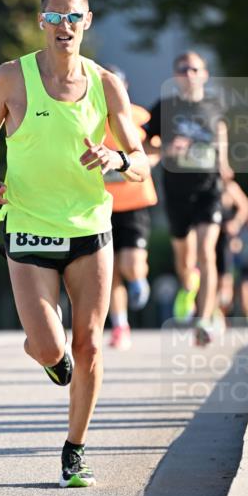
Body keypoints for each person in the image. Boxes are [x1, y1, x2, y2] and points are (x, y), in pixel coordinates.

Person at [0, 0, 150, 487]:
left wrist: (116, 157)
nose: (64, 26)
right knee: (51, 349)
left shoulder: (105, 84)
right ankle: (50, 356)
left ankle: (75, 449)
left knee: (90, 345)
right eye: (54, 17)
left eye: (73, 17)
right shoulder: (12, 77)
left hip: (89, 228)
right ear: (40, 22)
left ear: (87, 22)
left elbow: (138, 162)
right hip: (27, 226)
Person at [144, 51, 232, 346]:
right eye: (182, 69)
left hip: (209, 188)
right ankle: (188, 284)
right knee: (185, 259)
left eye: (195, 69)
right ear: (176, 75)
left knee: (207, 252)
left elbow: (220, 130)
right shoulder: (165, 108)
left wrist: (225, 163)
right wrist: (166, 149)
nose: (189, 74)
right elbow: (143, 144)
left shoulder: (214, 105)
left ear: (204, 74)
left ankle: (204, 319)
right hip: (177, 192)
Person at [101, 65, 158, 350]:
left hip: (134, 202)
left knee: (130, 264)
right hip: (101, 205)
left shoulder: (139, 117)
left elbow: (155, 149)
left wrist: (142, 164)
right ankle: (120, 325)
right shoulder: (89, 119)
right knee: (109, 269)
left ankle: (139, 279)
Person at [215, 178, 248, 321]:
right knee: (211, 278)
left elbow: (245, 206)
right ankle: (215, 315)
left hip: (225, 239)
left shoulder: (229, 187)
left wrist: (235, 223)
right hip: (209, 239)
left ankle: (221, 314)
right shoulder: (205, 184)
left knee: (225, 282)